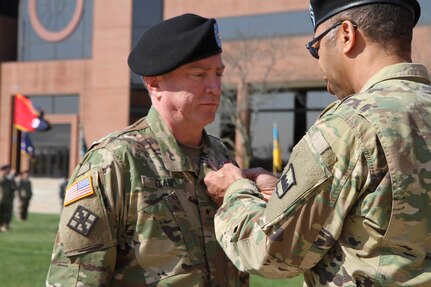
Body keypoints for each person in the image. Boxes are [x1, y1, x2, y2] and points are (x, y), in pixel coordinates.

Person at [204, 0, 431, 286]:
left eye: (315, 47)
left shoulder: (350, 124)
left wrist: (235, 191)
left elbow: (271, 252)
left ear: (347, 35)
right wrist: (286, 197)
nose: (319, 61)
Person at [46, 13, 248, 286]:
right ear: (155, 84)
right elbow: (76, 279)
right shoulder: (115, 162)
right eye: (199, 74)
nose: (214, 87)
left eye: (218, 74)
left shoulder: (220, 156)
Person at [0, 165, 16, 232]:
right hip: (1, 199)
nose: (9, 171)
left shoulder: (10, 179)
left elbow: (14, 187)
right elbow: (2, 182)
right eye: (7, 170)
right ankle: (1, 226)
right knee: (1, 213)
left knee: (8, 213)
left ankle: (6, 225)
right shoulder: (1, 178)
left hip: (9, 199)